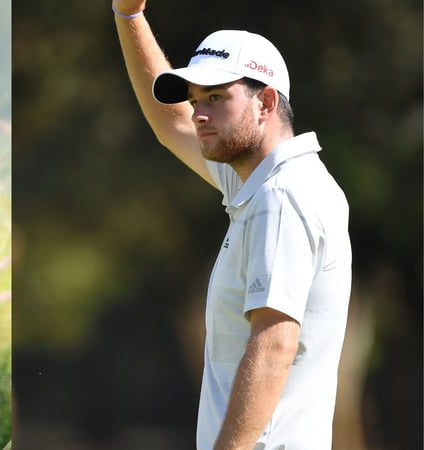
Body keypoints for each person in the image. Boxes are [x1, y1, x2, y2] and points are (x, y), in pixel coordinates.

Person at [112, 2, 352, 449]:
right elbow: (171, 124)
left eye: (217, 98)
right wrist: (128, 17)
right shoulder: (269, 182)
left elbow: (273, 348)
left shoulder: (280, 197)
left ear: (265, 103)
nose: (199, 113)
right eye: (197, 99)